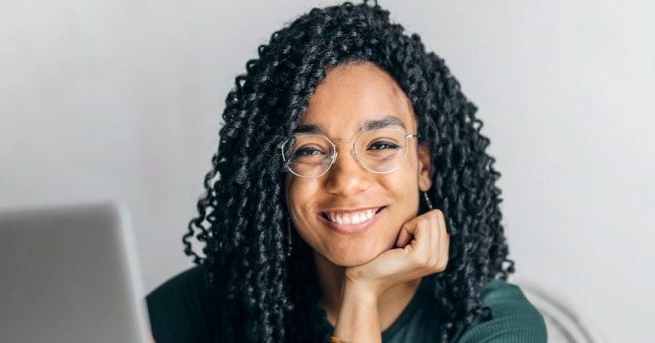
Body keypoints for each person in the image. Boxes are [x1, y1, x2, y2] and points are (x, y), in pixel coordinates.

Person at [146, 2, 546, 342]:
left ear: (423, 165)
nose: (347, 181)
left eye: (381, 145)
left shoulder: (497, 324)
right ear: (278, 174)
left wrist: (363, 290)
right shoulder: (212, 303)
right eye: (310, 150)